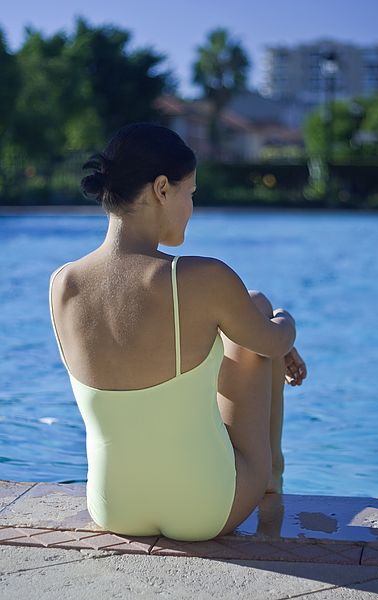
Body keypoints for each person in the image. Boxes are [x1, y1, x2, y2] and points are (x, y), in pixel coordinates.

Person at [48, 122, 307, 541]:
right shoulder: (202, 277)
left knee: (247, 308)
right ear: (162, 189)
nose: (192, 207)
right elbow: (275, 342)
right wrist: (285, 319)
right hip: (206, 508)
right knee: (259, 314)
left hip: (113, 507)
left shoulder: (63, 283)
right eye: (192, 193)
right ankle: (270, 478)